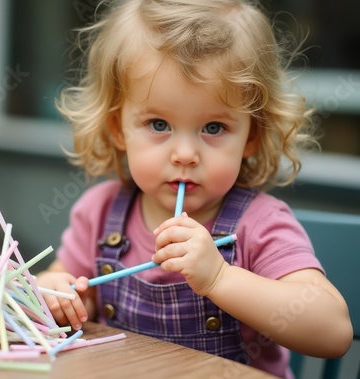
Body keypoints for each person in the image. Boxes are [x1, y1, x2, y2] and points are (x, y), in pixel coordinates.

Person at [35, 0, 353, 377]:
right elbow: (64, 285)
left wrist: (220, 278)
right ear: (117, 127)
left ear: (252, 134)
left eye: (214, 128)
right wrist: (60, 295)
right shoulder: (100, 212)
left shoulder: (259, 224)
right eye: (158, 124)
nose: (185, 154)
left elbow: (333, 332)